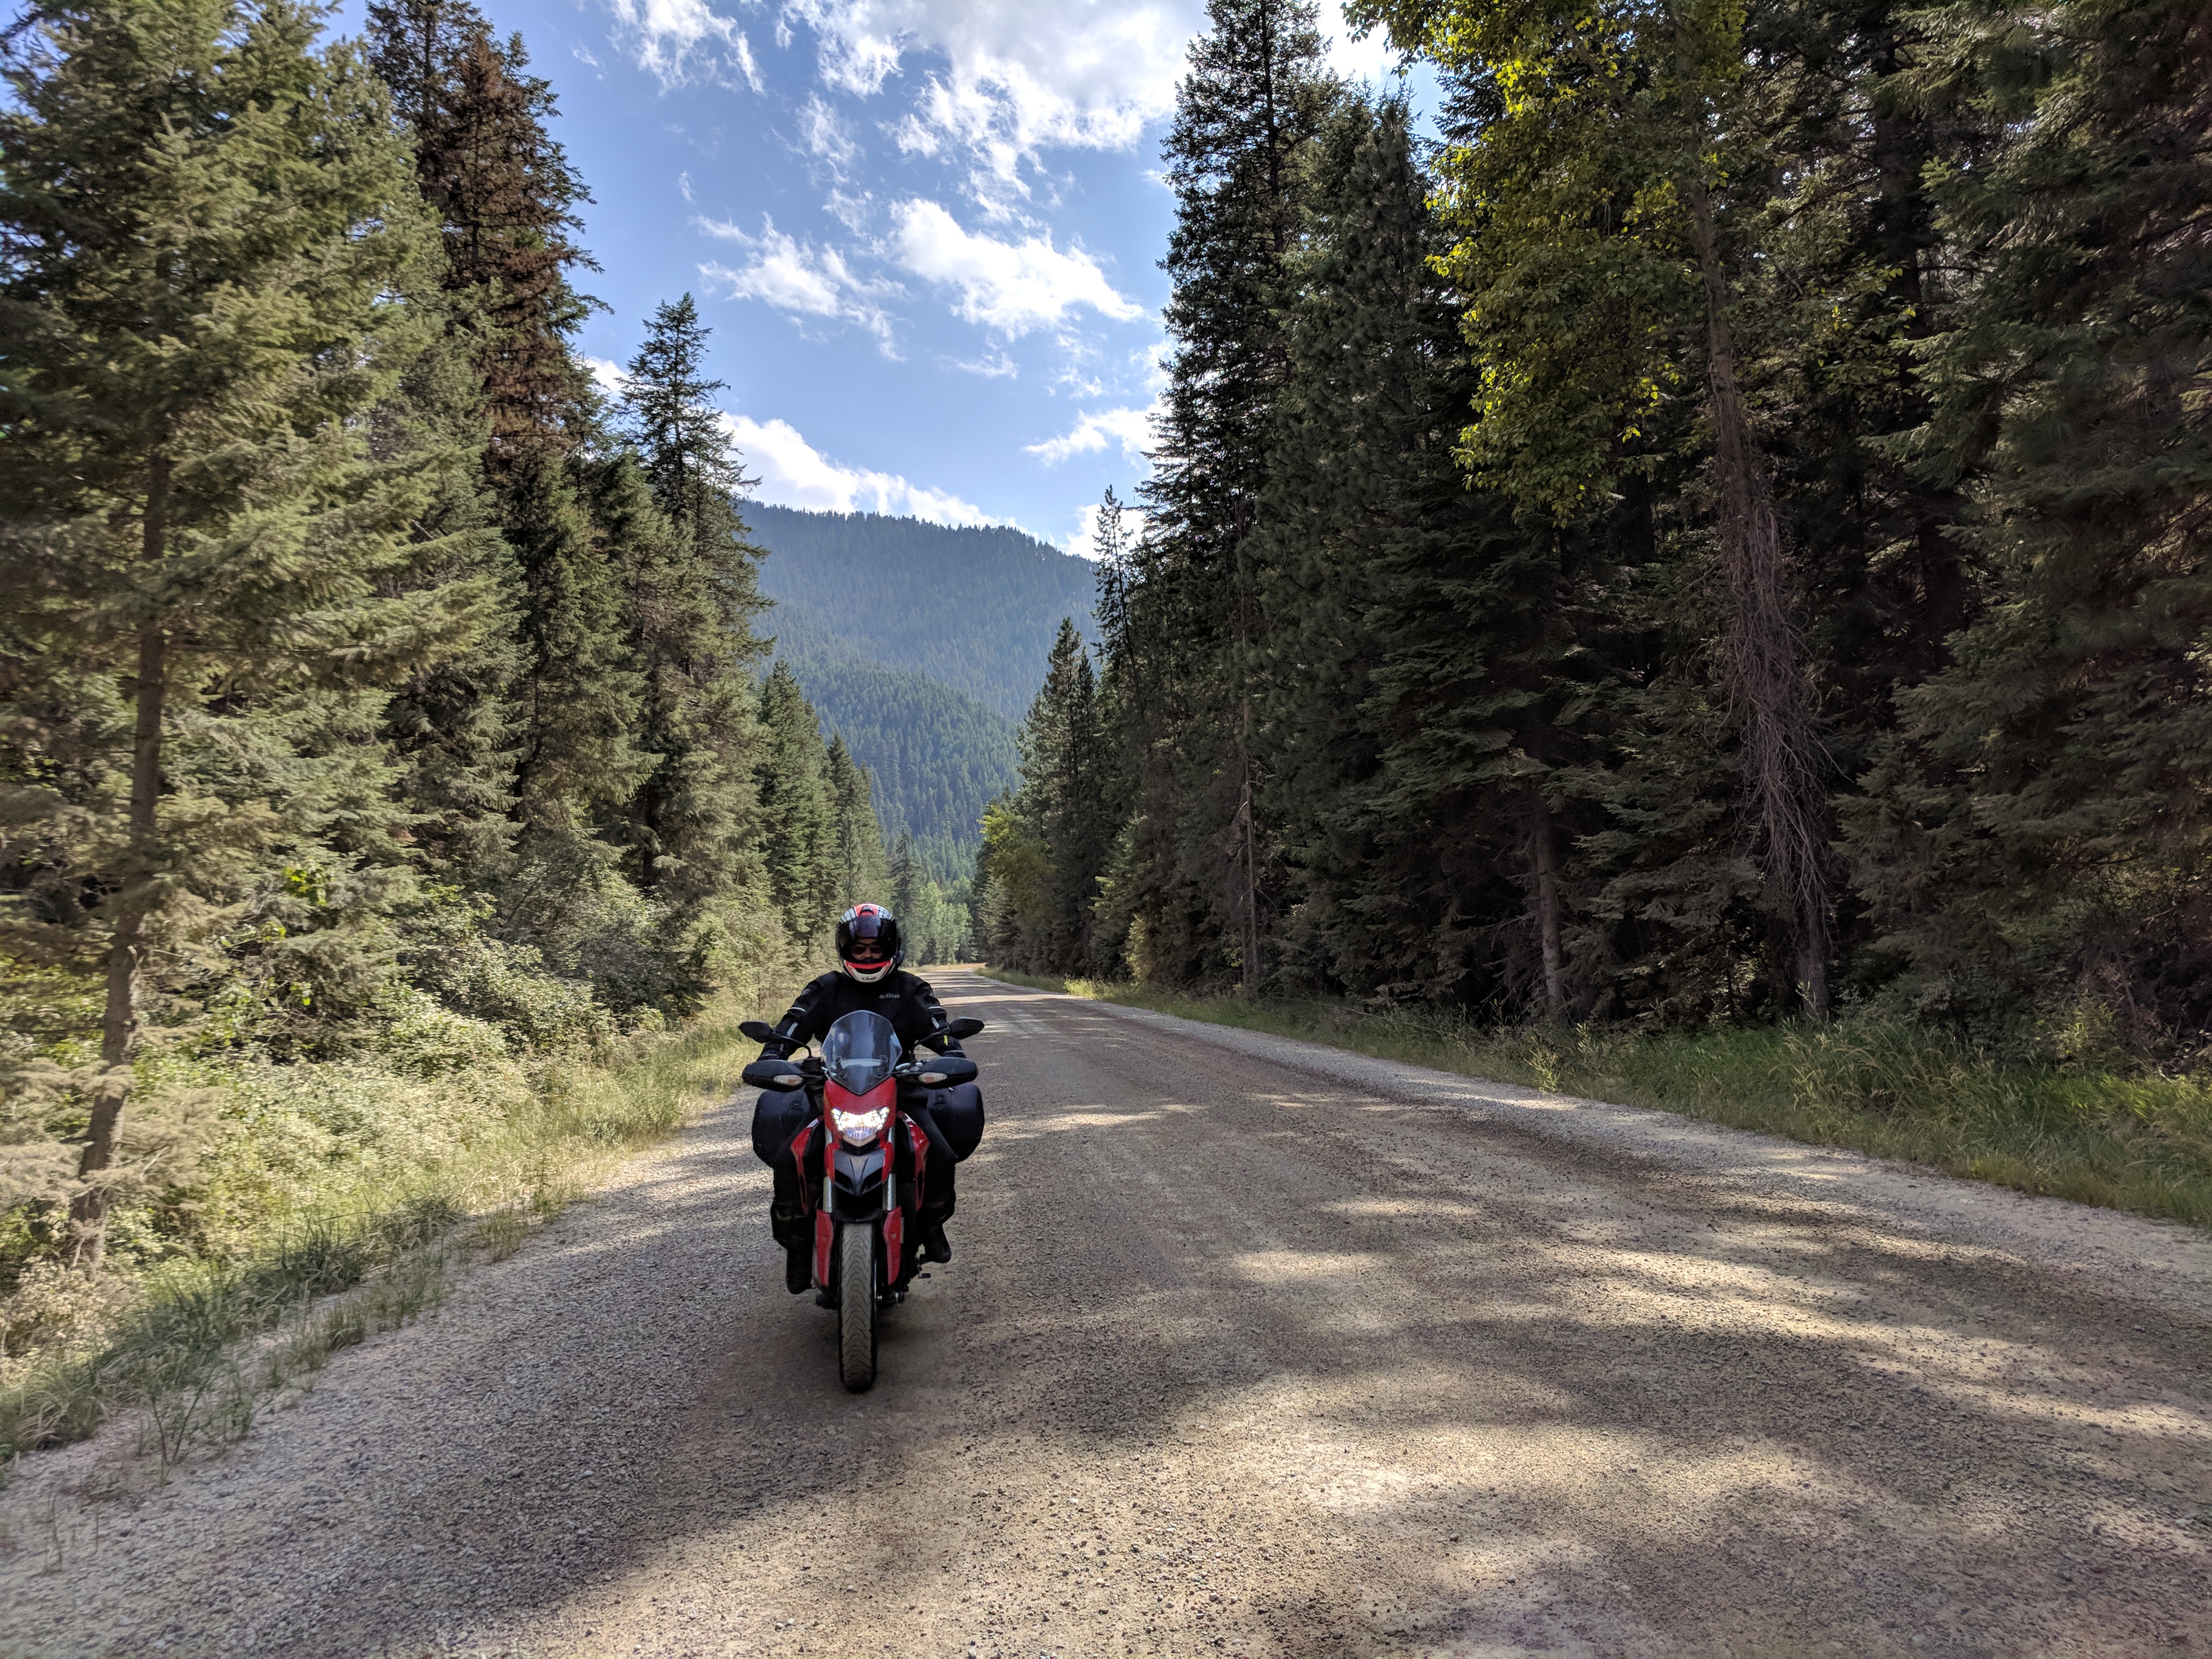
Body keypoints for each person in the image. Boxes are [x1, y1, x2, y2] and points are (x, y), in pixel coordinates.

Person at [749, 903, 985, 1293]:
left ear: (891, 947)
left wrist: (952, 1055)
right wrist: (773, 1057)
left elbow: (939, 1030)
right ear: (846, 949)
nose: (869, 956)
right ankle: (796, 1246)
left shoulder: (912, 989)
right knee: (790, 1157)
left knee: (939, 1153)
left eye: (876, 948)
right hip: (832, 1092)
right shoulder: (824, 988)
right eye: (860, 949)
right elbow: (791, 1027)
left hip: (902, 1090)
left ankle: (930, 1226)